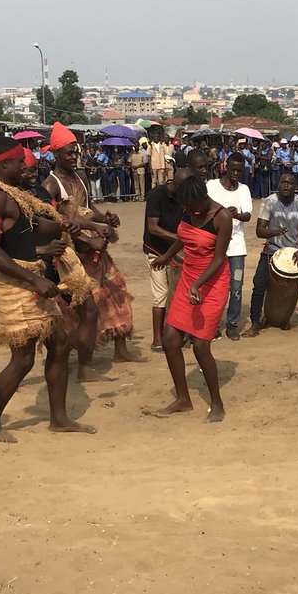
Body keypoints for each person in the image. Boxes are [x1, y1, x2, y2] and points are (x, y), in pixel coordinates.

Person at [0, 137, 95, 442]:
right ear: (5, 165)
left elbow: (33, 226)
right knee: (23, 359)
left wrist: (63, 226)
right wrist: (33, 280)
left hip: (33, 279)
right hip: (16, 284)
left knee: (61, 342)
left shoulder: (14, 195)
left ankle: (59, 419)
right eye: (19, 162)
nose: (26, 165)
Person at [43, 123, 139, 377]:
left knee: (117, 291)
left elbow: (89, 209)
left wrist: (105, 219)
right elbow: (56, 224)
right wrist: (89, 238)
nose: (73, 157)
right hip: (74, 254)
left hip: (95, 249)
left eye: (75, 152)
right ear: (55, 154)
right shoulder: (51, 186)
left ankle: (120, 349)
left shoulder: (79, 178)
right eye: (68, 153)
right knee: (85, 307)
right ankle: (84, 366)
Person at [149, 176, 233, 422]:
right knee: (170, 340)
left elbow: (218, 259)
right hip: (190, 279)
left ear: (204, 197)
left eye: (194, 206)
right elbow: (183, 238)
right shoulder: (189, 210)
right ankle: (183, 399)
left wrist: (198, 284)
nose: (190, 212)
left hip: (213, 282)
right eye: (186, 207)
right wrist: (166, 256)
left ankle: (217, 403)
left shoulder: (222, 217)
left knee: (200, 346)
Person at [245, 172, 298, 336]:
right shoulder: (269, 202)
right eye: (283, 182)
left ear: (295, 187)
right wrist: (275, 232)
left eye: (290, 183)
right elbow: (259, 231)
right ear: (278, 184)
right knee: (259, 285)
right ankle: (255, 323)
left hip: (294, 252)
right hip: (271, 251)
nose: (286, 185)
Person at [207, 153, 252, 340]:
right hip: (214, 245)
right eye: (232, 169)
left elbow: (248, 215)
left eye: (239, 171)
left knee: (236, 286)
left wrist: (237, 214)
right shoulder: (211, 186)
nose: (235, 173)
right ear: (225, 166)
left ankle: (232, 324)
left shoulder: (244, 190)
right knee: (214, 287)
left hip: (236, 246)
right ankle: (214, 324)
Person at [143, 167, 187, 352]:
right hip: (156, 250)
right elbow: (153, 227)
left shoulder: (184, 197)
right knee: (161, 294)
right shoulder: (156, 195)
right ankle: (157, 339)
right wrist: (179, 238)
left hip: (174, 250)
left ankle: (175, 333)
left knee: (177, 292)